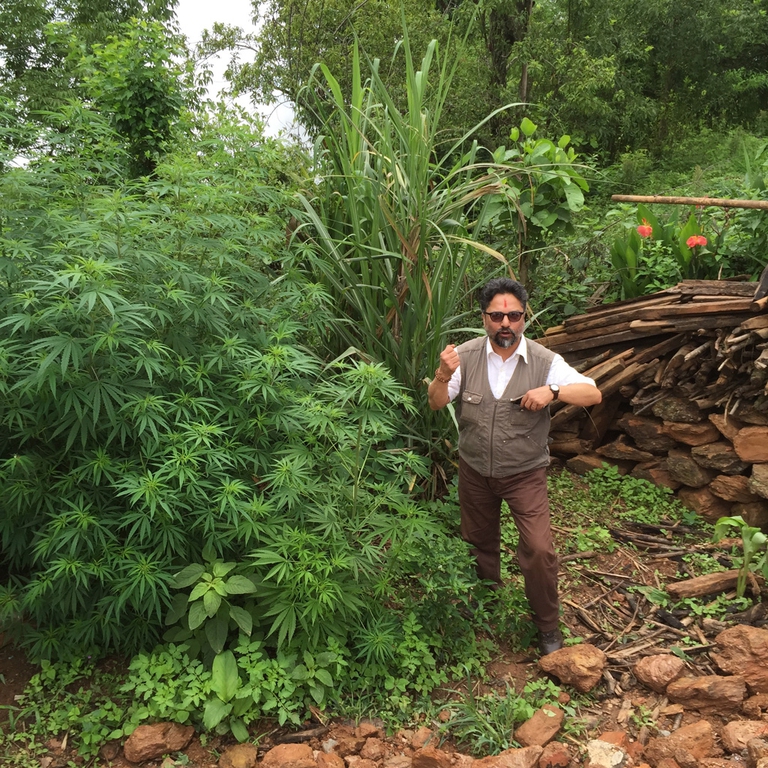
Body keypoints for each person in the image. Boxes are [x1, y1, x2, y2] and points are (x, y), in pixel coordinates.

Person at [428, 277, 602, 655]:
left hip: (524, 474)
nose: (505, 323)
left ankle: (547, 627)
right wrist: (442, 373)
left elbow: (593, 392)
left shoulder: (544, 361)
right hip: (475, 471)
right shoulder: (466, 356)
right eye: (497, 315)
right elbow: (437, 403)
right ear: (484, 318)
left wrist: (553, 391)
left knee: (539, 550)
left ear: (525, 317)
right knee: (478, 544)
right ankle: (485, 605)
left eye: (514, 315)